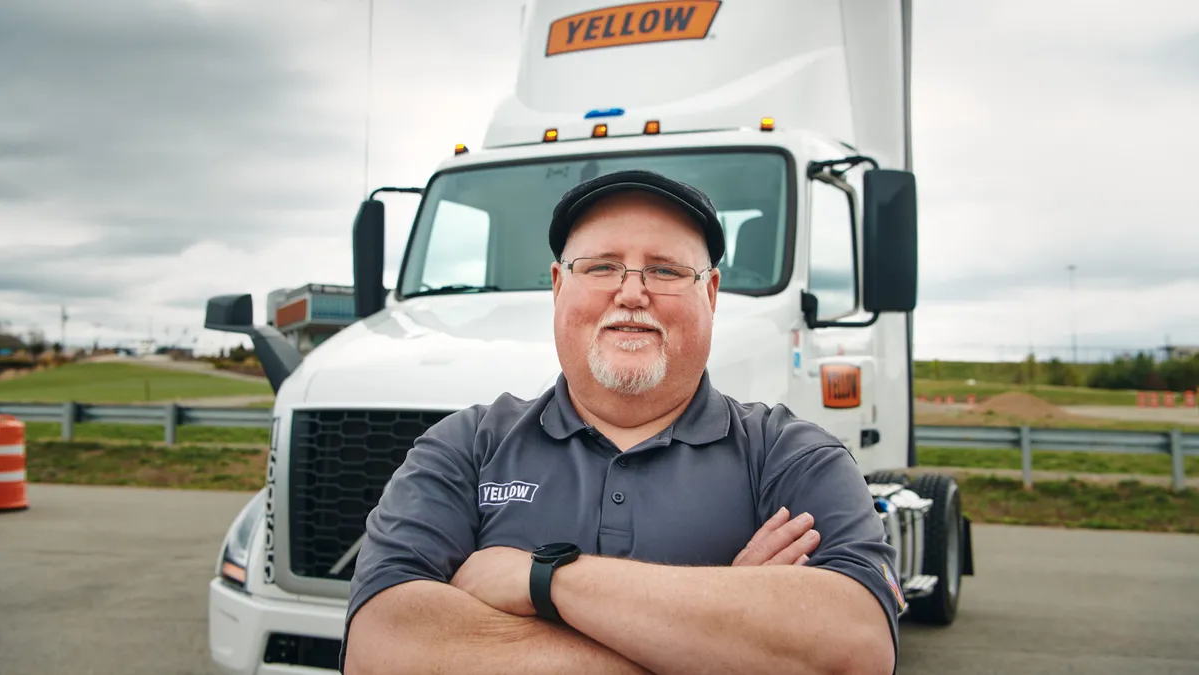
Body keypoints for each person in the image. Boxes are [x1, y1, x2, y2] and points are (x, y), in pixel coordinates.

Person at [340, 170, 902, 675]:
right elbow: (378, 649)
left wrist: (541, 581)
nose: (632, 293)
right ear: (559, 286)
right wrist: (717, 637)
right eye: (601, 266)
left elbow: (857, 648)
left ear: (710, 293)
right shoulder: (464, 446)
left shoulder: (792, 456)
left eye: (665, 269)